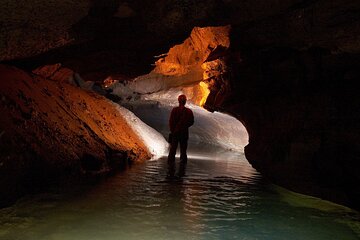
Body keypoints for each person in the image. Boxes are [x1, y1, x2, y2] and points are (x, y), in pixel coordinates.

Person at [167, 94, 194, 178]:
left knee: (172, 151)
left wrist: (173, 130)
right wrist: (184, 126)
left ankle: (170, 169)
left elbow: (171, 121)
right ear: (185, 101)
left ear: (179, 101)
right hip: (184, 134)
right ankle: (182, 171)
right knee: (183, 151)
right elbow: (191, 122)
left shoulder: (175, 110)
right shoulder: (188, 111)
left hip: (175, 133)